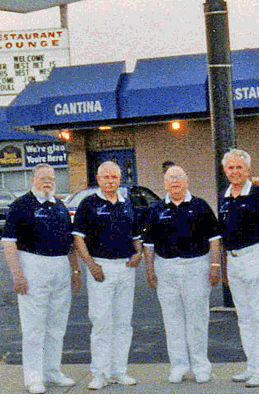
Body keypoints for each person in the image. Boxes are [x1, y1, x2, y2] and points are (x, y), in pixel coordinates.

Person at [2, 164, 81, 394]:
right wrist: (17, 274)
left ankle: (52, 371)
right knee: (34, 327)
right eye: (43, 178)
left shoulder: (59, 206)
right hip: (33, 266)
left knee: (57, 326)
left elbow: (70, 245)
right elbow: (8, 243)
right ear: (33, 179)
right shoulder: (20, 206)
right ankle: (34, 377)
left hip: (60, 267)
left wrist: (75, 272)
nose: (48, 181)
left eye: (51, 178)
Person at [143, 165, 221, 384]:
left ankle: (200, 366)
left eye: (179, 177)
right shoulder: (156, 208)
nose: (174, 182)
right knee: (172, 320)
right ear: (164, 183)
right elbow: (148, 243)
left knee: (197, 319)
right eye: (170, 179)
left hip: (196, 267)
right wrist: (149, 268)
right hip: (165, 269)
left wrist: (215, 266)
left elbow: (214, 240)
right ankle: (179, 366)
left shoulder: (200, 206)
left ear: (187, 181)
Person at [72, 161, 143, 390]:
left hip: (125, 269)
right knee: (102, 322)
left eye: (114, 176)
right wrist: (90, 265)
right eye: (106, 177)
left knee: (123, 323)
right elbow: (78, 238)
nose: (110, 181)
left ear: (119, 178)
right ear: (98, 179)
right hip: (100, 268)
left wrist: (138, 254)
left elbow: (135, 236)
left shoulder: (126, 204)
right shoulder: (88, 204)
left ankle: (119, 371)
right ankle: (99, 373)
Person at [218, 149, 259, 388]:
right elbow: (222, 237)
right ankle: (252, 365)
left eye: (239, 168)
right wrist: (223, 269)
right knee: (244, 317)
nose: (235, 172)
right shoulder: (224, 196)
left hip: (256, 258)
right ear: (225, 171)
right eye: (230, 168)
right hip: (233, 261)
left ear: (248, 170)